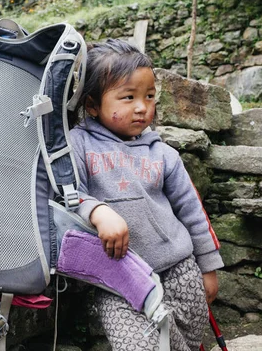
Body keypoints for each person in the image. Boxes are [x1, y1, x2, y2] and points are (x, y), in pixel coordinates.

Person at [70, 39, 223, 350]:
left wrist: (207, 268)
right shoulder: (78, 145)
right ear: (92, 105)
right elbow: (65, 195)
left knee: (187, 343)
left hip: (179, 270)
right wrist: (98, 211)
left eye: (149, 96)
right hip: (116, 279)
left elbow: (193, 212)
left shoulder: (164, 154)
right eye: (128, 97)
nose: (142, 106)